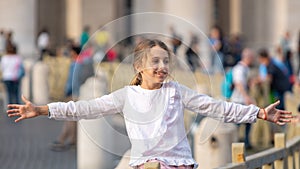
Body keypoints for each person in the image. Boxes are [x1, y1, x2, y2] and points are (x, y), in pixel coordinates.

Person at [7, 39, 293, 169]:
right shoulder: (126, 96)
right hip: (145, 166)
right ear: (139, 67)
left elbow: (216, 106)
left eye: (166, 61)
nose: (162, 66)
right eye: (155, 61)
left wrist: (257, 113)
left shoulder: (176, 91)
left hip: (179, 165)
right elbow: (84, 108)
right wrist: (42, 109)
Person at [49, 45, 81, 151]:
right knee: (73, 118)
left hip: (72, 93)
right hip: (78, 93)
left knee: (69, 117)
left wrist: (66, 94)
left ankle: (62, 139)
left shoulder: (74, 64)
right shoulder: (82, 63)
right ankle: (72, 140)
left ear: (73, 53)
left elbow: (72, 80)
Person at [230, 48, 256, 149]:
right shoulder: (239, 69)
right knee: (237, 123)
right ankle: (235, 143)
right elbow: (238, 84)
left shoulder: (245, 68)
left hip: (243, 99)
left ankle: (246, 142)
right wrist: (247, 97)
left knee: (248, 121)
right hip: (238, 100)